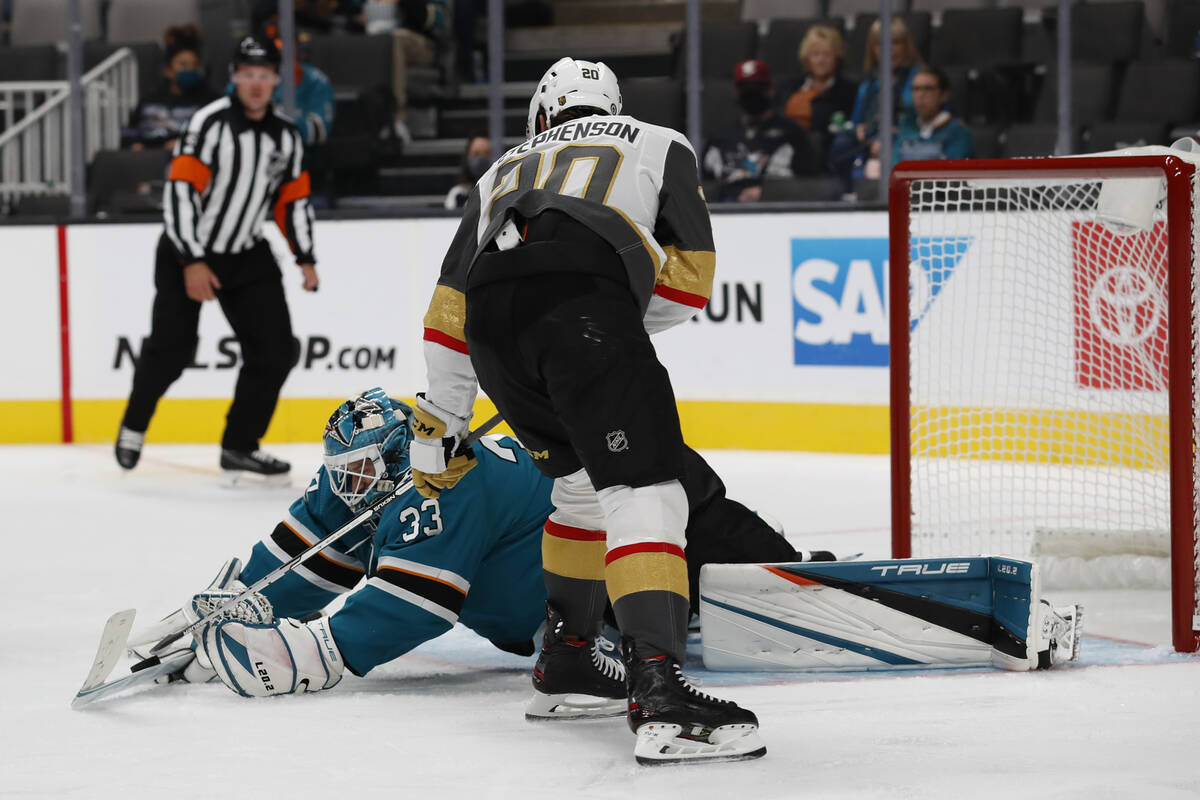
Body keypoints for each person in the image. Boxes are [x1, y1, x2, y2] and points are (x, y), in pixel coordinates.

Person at [409, 57, 766, 764]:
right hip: (584, 305)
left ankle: (567, 658)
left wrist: (442, 422)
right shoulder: (659, 141)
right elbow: (692, 277)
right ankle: (660, 694)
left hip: (492, 327)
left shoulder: (500, 168)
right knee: (648, 491)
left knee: (577, 489)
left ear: (543, 116)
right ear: (613, 105)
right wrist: (603, 324)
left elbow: (450, 309)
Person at [124, 388, 830, 696]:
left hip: (631, 487)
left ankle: (813, 580)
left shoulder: (444, 483)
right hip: (571, 590)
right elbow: (304, 555)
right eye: (344, 473)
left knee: (718, 551)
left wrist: (301, 653)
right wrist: (229, 606)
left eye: (365, 471)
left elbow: (413, 605)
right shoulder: (362, 481)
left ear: (403, 454)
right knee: (666, 602)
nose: (352, 487)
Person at [114, 35, 319, 484]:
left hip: (246, 253)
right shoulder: (207, 125)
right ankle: (134, 423)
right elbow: (182, 193)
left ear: (276, 80)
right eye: (248, 75)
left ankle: (240, 446)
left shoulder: (286, 135)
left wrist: (304, 256)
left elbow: (292, 200)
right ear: (234, 77)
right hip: (187, 251)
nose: (256, 83)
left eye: (265, 76)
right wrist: (191, 259)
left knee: (275, 351)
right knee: (171, 351)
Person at [703, 59, 820, 203]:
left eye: (757, 87)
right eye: (745, 88)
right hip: (725, 215)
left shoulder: (792, 134)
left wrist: (768, 193)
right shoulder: (720, 137)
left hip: (776, 213)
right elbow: (701, 187)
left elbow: (812, 187)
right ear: (735, 92)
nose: (751, 93)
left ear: (770, 90)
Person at [829, 17, 922, 192]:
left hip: (908, 137)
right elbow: (857, 121)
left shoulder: (920, 78)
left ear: (906, 46)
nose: (889, 50)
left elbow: (927, 117)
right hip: (872, 140)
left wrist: (891, 135)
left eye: (895, 43)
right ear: (873, 49)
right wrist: (859, 130)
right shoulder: (868, 85)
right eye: (881, 45)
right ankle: (849, 195)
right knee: (841, 145)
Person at [122, 25, 220, 151]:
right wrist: (134, 144)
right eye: (183, 65)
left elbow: (213, 137)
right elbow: (129, 132)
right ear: (168, 70)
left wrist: (183, 143)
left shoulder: (209, 101)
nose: (189, 69)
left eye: (194, 65)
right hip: (148, 161)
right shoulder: (150, 100)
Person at [781, 25, 858, 166]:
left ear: (837, 57)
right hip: (784, 151)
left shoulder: (849, 91)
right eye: (815, 54)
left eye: (827, 54)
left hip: (824, 157)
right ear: (807, 58)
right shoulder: (789, 87)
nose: (821, 60)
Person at [891, 66, 973, 165]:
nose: (921, 95)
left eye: (928, 88)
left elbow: (954, 172)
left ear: (944, 95)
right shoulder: (905, 127)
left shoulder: (958, 132)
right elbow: (894, 168)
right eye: (916, 89)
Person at [444, 134, 491, 209]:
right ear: (467, 156)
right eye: (476, 154)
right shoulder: (457, 194)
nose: (481, 159)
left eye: (487, 153)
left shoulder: (501, 192)